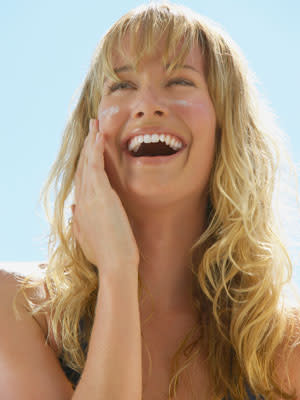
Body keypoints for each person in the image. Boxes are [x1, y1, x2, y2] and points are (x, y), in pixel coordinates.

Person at [1, 1, 300, 399]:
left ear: (224, 124)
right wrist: (118, 269)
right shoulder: (17, 307)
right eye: (122, 85)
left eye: (180, 81)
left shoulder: (283, 348)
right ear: (90, 129)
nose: (147, 105)